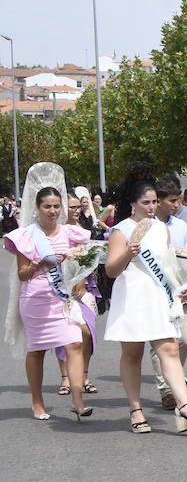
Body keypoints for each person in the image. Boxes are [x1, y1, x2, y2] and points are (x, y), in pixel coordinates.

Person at [103, 180, 187, 434]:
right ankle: (136, 410)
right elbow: (111, 270)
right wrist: (128, 253)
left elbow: (169, 264)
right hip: (132, 297)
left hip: (159, 296)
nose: (150, 207)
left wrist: (183, 283)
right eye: (145, 203)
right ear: (133, 204)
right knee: (133, 354)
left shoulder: (162, 229)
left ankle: (185, 408)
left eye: (153, 202)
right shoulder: (122, 230)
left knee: (170, 348)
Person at [3, 164, 94, 421]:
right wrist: (40, 263)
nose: (53, 211)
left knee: (75, 342)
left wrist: (80, 279)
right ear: (38, 208)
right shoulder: (25, 236)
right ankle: (37, 401)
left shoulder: (71, 232)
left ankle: (78, 400)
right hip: (35, 299)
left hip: (62, 300)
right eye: (47, 207)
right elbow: (22, 274)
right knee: (37, 351)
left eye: (56, 206)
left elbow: (85, 260)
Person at [150, 177, 187, 410]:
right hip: (157, 292)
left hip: (181, 290)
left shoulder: (180, 226)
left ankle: (175, 374)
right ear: (157, 202)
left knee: (185, 340)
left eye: (178, 200)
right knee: (161, 343)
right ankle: (167, 389)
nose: (176, 205)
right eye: (171, 201)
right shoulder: (145, 226)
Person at [55, 190, 101, 397]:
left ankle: (83, 373)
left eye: (78, 207)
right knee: (65, 332)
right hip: (61, 286)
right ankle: (65, 376)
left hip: (85, 286)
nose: (76, 211)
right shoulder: (56, 231)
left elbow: (89, 256)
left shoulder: (83, 227)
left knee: (87, 331)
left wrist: (82, 276)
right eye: (71, 207)